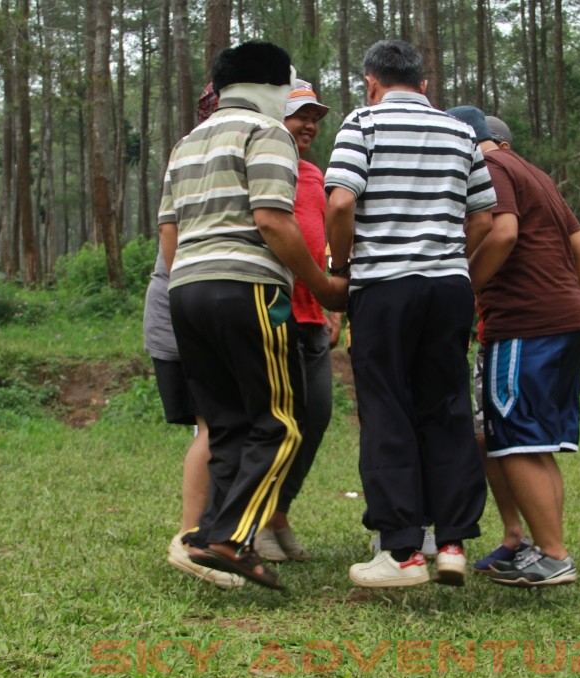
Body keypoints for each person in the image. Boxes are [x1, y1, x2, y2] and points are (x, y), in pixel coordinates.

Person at [158, 41, 348, 590]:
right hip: (246, 289)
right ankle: (232, 536)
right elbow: (272, 220)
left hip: (186, 289)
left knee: (226, 424)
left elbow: (168, 230)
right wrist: (323, 286)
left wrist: (187, 283)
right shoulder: (269, 133)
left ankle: (206, 534)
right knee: (284, 421)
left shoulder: (188, 142)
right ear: (272, 87)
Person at [325, 40, 496, 588]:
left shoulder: (363, 122)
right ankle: (450, 543)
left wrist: (344, 262)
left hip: (384, 287)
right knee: (446, 406)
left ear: (371, 83)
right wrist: (449, 258)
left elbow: (341, 202)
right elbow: (485, 219)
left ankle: (401, 551)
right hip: (448, 288)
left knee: (387, 409)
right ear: (424, 85)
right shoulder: (460, 131)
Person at [449, 107, 580, 587]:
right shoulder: (537, 175)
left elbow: (503, 230)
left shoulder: (488, 167)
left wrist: (464, 287)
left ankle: (553, 554)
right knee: (537, 443)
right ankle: (538, 546)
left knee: (511, 439)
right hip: (565, 320)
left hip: (524, 323)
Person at [252, 80, 341, 563]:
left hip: (312, 315)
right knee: (277, 420)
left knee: (317, 415)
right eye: (299, 114)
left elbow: (320, 247)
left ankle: (280, 509)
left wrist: (329, 306)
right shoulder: (263, 168)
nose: (309, 125)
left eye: (314, 117)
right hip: (273, 312)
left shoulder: (313, 175)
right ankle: (262, 520)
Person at [143, 249, 243, 590]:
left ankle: (210, 537)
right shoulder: (195, 198)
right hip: (186, 322)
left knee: (220, 427)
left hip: (191, 317)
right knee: (216, 428)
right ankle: (190, 541)